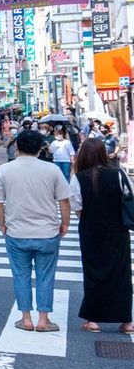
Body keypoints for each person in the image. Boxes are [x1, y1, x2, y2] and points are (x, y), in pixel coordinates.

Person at [0, 129, 71, 333]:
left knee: (21, 275)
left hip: (17, 232)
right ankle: (44, 319)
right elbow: (64, 200)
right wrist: (65, 223)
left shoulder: (5, 170)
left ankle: (25, 318)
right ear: (40, 147)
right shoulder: (52, 170)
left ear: (17, 147)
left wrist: (2, 225)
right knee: (46, 275)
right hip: (47, 232)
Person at [70, 139, 134, 334]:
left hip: (91, 231)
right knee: (121, 274)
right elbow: (129, 196)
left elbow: (78, 208)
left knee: (93, 273)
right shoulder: (119, 173)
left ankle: (93, 320)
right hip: (117, 231)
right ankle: (126, 322)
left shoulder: (78, 178)